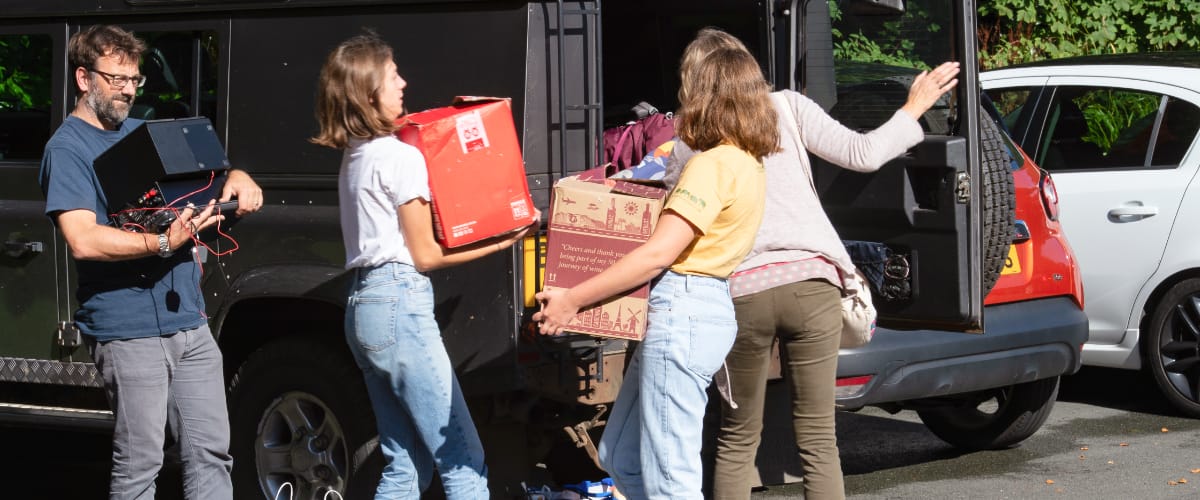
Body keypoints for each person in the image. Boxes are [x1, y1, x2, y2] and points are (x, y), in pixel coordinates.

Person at [663, 28, 959, 500]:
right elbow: (864, 154)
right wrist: (914, 107)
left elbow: (676, 221)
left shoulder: (689, 142)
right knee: (819, 439)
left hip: (742, 293)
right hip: (813, 282)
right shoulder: (786, 107)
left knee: (737, 439)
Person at [533, 38, 779, 498]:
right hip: (702, 308)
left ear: (703, 92)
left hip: (682, 311)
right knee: (620, 456)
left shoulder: (713, 165)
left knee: (671, 479)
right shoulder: (747, 161)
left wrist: (572, 300)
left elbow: (657, 254)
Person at [38, 25, 263, 499]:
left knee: (211, 454)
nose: (127, 90)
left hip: (189, 323)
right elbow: (82, 239)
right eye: (116, 78)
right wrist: (162, 242)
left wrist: (238, 178)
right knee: (141, 465)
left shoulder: (146, 132)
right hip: (128, 328)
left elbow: (213, 177)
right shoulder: (67, 149)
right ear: (84, 78)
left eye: (135, 80)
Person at [309, 31, 536, 499]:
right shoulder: (400, 156)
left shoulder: (356, 156)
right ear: (370, 90)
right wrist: (506, 240)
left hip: (363, 306)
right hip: (398, 301)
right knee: (461, 458)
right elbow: (426, 254)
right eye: (393, 76)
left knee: (405, 464)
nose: (404, 83)